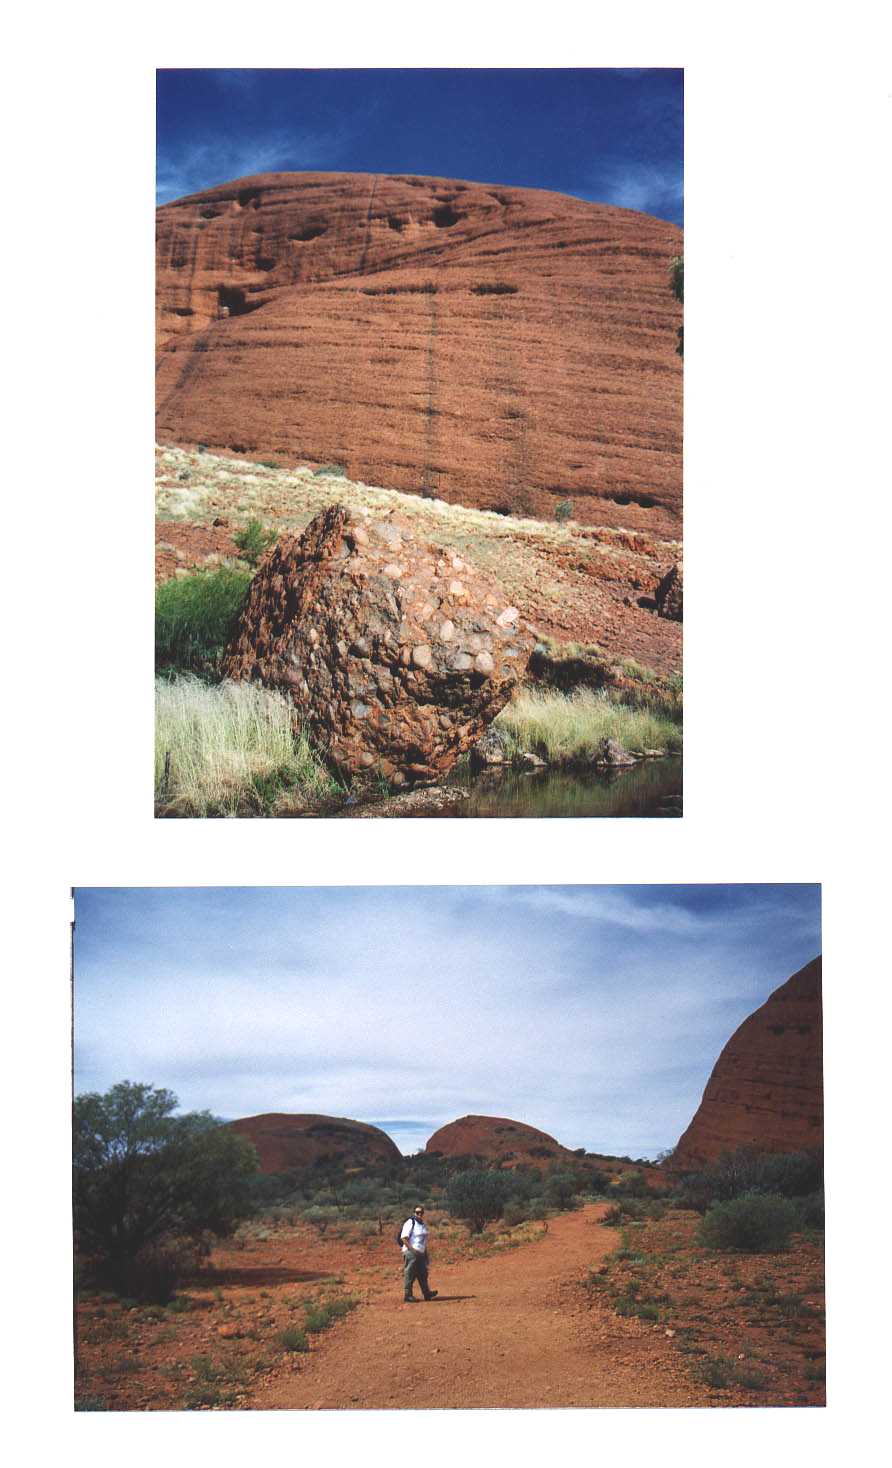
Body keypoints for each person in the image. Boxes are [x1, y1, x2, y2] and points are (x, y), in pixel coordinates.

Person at [400, 1205, 438, 1302]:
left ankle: (427, 1293)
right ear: (414, 1213)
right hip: (411, 1253)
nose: (419, 1214)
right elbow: (404, 1238)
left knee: (423, 1273)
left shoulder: (422, 1224)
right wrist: (412, 1250)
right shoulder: (410, 1223)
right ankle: (407, 1295)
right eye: (417, 1212)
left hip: (421, 1253)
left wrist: (425, 1254)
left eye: (421, 1212)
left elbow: (424, 1241)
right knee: (410, 1274)